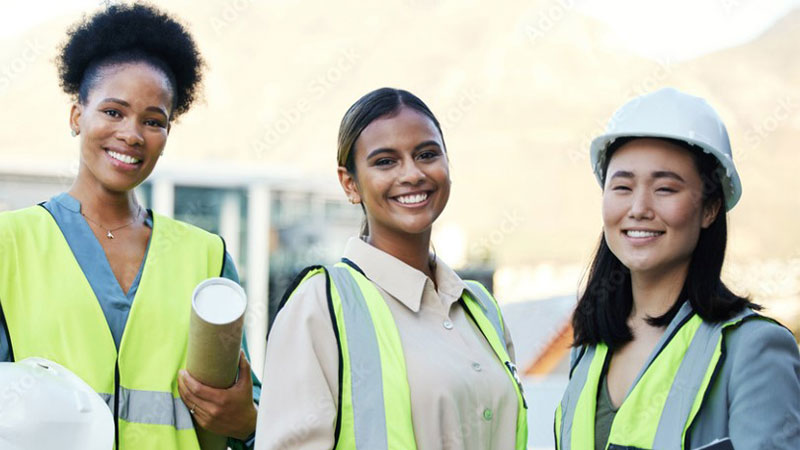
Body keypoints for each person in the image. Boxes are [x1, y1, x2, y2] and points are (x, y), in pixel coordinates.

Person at [0, 4, 259, 449]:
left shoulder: (207, 256)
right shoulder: (10, 243)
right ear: (77, 115)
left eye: (153, 121)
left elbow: (242, 419)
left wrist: (247, 420)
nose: (133, 134)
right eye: (114, 112)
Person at [254, 88, 528, 449]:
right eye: (386, 161)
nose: (412, 174)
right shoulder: (320, 304)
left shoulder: (481, 309)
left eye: (426, 154)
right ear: (350, 184)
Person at [555, 87, 800, 449]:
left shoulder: (752, 349)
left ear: (710, 208)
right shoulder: (589, 348)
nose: (638, 208)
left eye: (665, 189)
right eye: (622, 186)